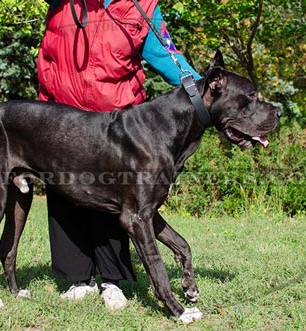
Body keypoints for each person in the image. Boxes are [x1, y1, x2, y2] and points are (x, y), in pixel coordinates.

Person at [37, 0, 201, 310]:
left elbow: (165, 54)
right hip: (60, 116)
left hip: (114, 121)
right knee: (64, 194)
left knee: (117, 200)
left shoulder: (142, 7)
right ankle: (77, 279)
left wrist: (202, 90)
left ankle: (112, 280)